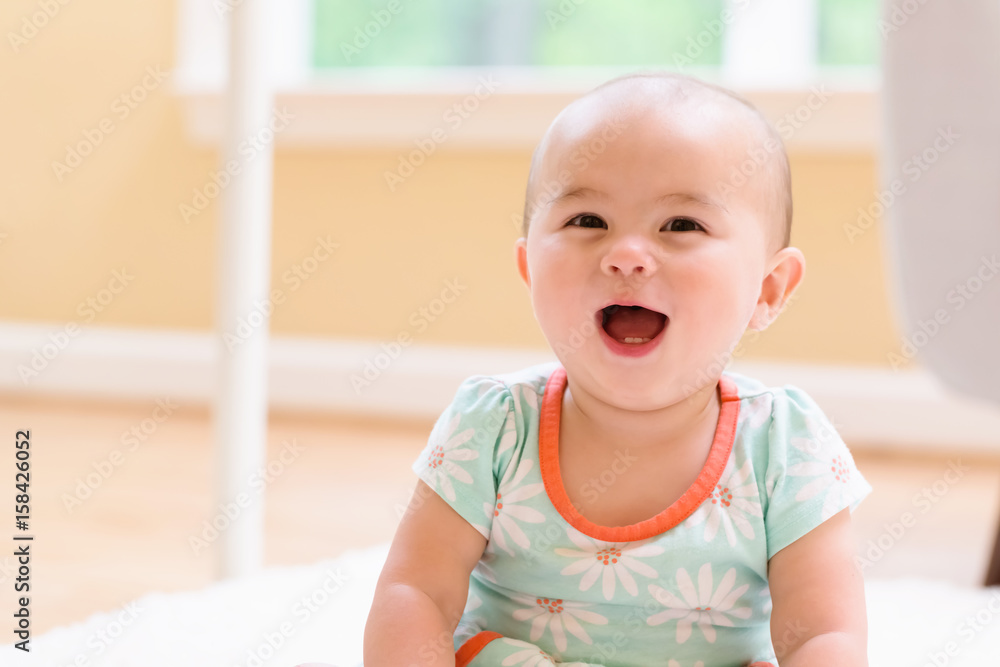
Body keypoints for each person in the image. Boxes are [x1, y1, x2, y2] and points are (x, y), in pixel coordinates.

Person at [363, 71, 872, 667]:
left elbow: (823, 635)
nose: (626, 255)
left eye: (681, 225)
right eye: (587, 221)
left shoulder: (784, 446)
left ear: (767, 289)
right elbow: (415, 592)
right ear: (530, 269)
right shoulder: (495, 425)